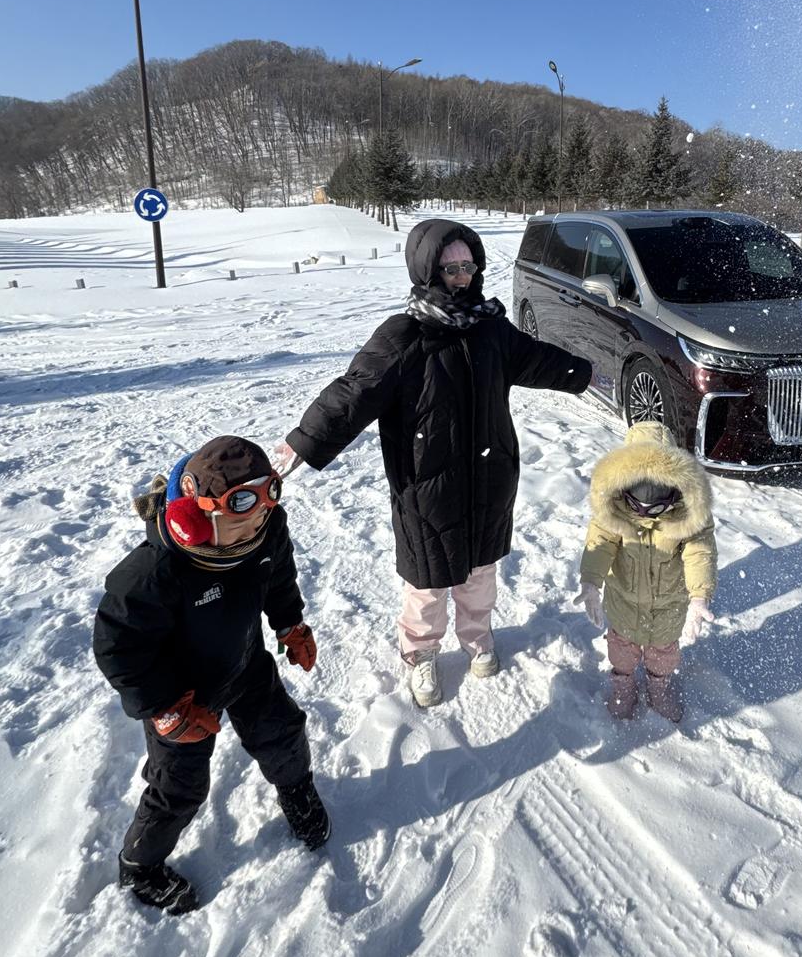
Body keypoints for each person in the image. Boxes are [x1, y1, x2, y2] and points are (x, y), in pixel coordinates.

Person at [278, 220, 592, 708]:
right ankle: (420, 654)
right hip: (426, 487)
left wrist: (583, 372)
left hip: (490, 478)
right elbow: (353, 392)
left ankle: (477, 638)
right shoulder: (404, 336)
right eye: (451, 268)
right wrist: (305, 441)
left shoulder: (492, 329)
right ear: (427, 271)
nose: (462, 276)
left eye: (469, 266)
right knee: (427, 584)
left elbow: (536, 360)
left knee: (480, 575)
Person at [93, 435, 329, 915]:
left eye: (261, 520)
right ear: (194, 521)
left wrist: (290, 622)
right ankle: (140, 866)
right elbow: (118, 647)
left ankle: (297, 790)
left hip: (243, 664)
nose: (253, 534)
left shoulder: (265, 527)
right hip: (181, 695)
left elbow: (277, 574)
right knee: (179, 786)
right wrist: (164, 709)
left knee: (283, 734)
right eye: (239, 527)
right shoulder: (154, 571)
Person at [577, 421, 717, 722]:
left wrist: (698, 596)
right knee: (621, 650)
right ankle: (622, 685)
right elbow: (600, 543)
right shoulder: (613, 509)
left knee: (664, 653)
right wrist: (590, 582)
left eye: (654, 509)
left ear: (673, 493)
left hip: (667, 604)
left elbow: (699, 552)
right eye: (635, 507)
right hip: (623, 601)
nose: (644, 516)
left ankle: (659, 687)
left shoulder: (689, 515)